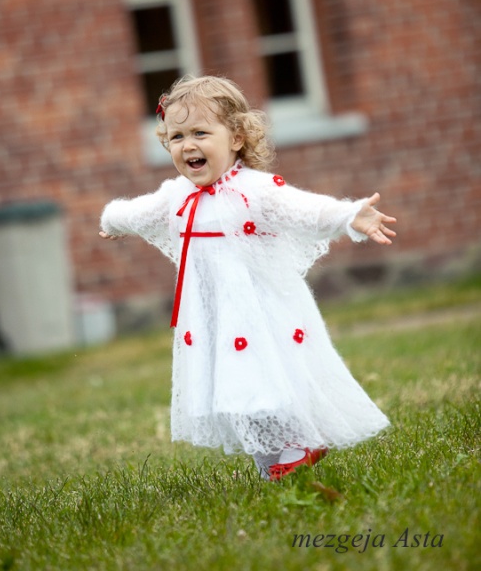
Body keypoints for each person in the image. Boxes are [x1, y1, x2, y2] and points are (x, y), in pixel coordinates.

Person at [100, 75, 396, 481]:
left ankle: (297, 446)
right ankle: (269, 465)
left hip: (261, 313)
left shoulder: (254, 191)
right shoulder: (175, 196)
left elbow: (304, 210)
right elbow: (137, 213)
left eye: (200, 133)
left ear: (236, 137)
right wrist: (112, 221)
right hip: (212, 317)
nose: (188, 145)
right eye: (176, 136)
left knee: (261, 380)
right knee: (231, 390)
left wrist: (349, 215)